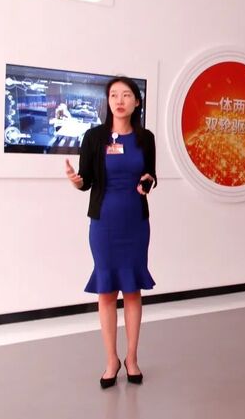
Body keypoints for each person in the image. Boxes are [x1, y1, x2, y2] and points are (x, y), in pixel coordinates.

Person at [65, 76, 157, 389]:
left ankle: (131, 358)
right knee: (106, 290)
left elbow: (150, 175)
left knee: (132, 289)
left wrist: (147, 182)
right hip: (104, 222)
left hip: (135, 222)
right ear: (108, 101)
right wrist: (78, 182)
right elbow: (87, 180)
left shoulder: (145, 138)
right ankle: (111, 360)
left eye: (126, 95)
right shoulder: (94, 137)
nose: (119, 100)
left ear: (136, 102)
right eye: (114, 95)